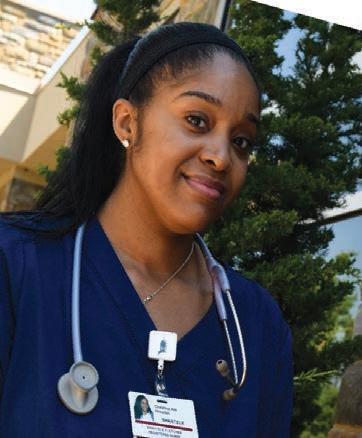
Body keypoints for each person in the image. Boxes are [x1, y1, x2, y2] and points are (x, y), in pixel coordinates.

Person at [0, 22, 293, 437]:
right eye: (197, 120)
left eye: (242, 141)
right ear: (127, 123)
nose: (221, 156)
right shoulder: (16, 266)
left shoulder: (256, 324)